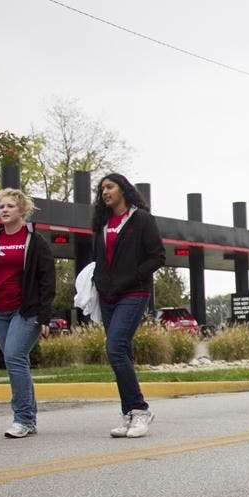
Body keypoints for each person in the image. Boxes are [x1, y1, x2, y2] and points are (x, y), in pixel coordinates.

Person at [0, 189, 54, 438]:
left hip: (26, 310)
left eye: (10, 206)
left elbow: (47, 279)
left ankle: (22, 419)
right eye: (1, 206)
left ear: (21, 210)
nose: (5, 210)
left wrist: (44, 315)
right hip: (0, 311)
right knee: (18, 361)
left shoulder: (34, 240)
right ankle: (29, 418)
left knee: (13, 357)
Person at [91, 174, 165, 438]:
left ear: (123, 189)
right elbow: (99, 258)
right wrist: (99, 281)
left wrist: (133, 276)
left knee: (114, 348)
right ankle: (130, 414)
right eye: (102, 189)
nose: (105, 192)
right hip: (107, 295)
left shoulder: (141, 219)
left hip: (134, 292)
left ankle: (140, 410)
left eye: (109, 187)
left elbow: (158, 257)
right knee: (121, 353)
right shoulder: (103, 223)